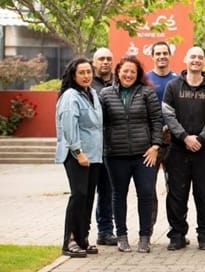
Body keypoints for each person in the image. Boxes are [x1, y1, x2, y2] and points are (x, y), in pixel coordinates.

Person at [99, 55, 163, 253]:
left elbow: (156, 120)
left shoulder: (147, 93)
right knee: (118, 195)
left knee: (145, 194)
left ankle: (145, 237)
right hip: (115, 154)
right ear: (118, 72)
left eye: (132, 72)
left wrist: (155, 146)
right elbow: (100, 123)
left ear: (138, 75)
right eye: (125, 71)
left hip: (144, 154)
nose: (128, 75)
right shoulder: (105, 94)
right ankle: (122, 236)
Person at [162, 46, 205, 251]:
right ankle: (177, 235)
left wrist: (202, 138)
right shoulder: (173, 86)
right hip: (178, 149)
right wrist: (185, 137)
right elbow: (168, 115)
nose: (196, 60)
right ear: (185, 60)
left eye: (200, 57)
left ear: (204, 62)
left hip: (204, 150)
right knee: (177, 194)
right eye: (193, 57)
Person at [56, 57, 103, 258]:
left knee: (89, 197)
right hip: (77, 155)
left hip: (94, 155)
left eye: (89, 72)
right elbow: (68, 126)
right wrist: (78, 152)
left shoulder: (92, 93)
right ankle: (70, 241)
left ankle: (83, 238)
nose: (86, 76)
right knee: (79, 196)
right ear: (73, 75)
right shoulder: (70, 96)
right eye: (81, 72)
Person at [145, 41, 179, 232]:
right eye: (157, 53)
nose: (161, 56)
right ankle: (147, 229)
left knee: (175, 188)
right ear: (152, 56)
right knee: (148, 187)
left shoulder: (177, 79)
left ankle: (176, 229)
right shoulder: (145, 79)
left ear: (169, 55)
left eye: (165, 53)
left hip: (173, 141)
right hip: (151, 143)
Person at [91, 48, 117, 247]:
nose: (105, 62)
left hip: (112, 146)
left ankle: (106, 231)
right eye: (101, 59)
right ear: (94, 62)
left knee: (107, 191)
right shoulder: (87, 82)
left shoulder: (120, 81)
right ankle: (82, 232)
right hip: (91, 147)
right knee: (87, 191)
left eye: (109, 59)